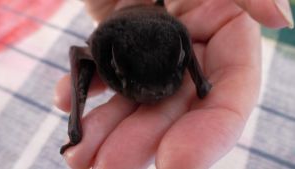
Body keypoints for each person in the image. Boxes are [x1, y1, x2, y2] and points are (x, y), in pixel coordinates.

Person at [54, 0, 293, 168]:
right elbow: (79, 53)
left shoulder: (176, 35)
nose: (155, 95)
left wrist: (201, 82)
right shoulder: (102, 46)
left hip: (158, 21)